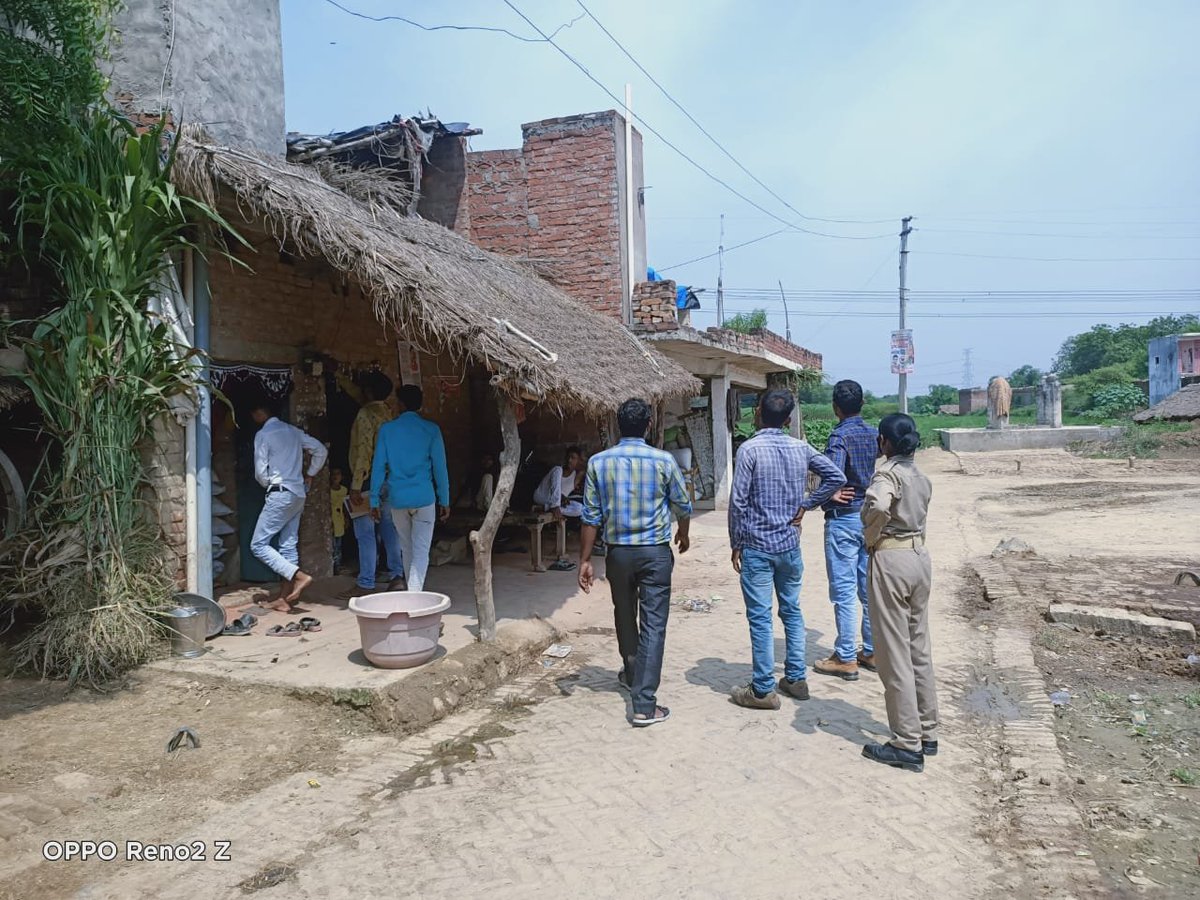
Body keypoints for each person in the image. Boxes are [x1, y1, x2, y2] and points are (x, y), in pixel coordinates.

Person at [728, 390, 846, 709]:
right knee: (792, 611)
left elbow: (738, 502)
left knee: (761, 616)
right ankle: (795, 678)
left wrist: (735, 543)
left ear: (757, 415)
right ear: (789, 420)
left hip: (757, 545)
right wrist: (807, 504)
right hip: (789, 545)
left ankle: (764, 689)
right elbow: (836, 476)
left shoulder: (749, 449)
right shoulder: (800, 447)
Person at [579, 398, 692, 727]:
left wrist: (584, 560)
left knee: (624, 615)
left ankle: (632, 674)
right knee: (654, 625)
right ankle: (644, 703)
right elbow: (683, 505)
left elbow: (590, 517)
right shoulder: (663, 461)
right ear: (648, 426)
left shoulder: (599, 463)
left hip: (619, 553)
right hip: (655, 553)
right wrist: (683, 535)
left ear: (617, 426)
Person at [860, 413, 938, 773]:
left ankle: (906, 743)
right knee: (918, 646)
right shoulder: (920, 476)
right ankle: (927, 730)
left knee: (893, 653)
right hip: (920, 557)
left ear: (884, 442)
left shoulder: (887, 473)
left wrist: (871, 533)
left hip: (892, 558)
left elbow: (876, 504)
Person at [813, 380, 880, 682]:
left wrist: (827, 494)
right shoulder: (872, 433)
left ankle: (845, 656)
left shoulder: (839, 436)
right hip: (868, 515)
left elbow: (834, 473)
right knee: (867, 589)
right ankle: (870, 649)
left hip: (843, 519)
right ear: (862, 404)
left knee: (843, 591)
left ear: (835, 407)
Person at [370, 384, 449, 592]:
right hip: (424, 498)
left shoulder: (387, 429)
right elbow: (441, 468)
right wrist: (445, 500)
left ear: (401, 404)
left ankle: (412, 595)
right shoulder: (431, 430)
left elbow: (378, 467)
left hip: (398, 499)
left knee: (407, 548)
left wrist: (373, 500)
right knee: (421, 551)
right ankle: (414, 596)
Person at [249, 401, 328, 609]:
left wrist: (267, 482)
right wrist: (310, 474)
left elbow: (260, 471)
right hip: (298, 493)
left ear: (259, 412)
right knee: (288, 545)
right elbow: (320, 450)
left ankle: (299, 576)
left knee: (258, 545)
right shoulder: (292, 431)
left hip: (280, 492)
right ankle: (286, 599)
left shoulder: (264, 434)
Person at [346, 371, 405, 597]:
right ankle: (396, 576)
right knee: (390, 529)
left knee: (365, 532)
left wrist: (356, 485)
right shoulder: (388, 413)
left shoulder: (364, 414)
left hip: (368, 479)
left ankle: (366, 582)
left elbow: (364, 450)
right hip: (390, 479)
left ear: (368, 391)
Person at [532, 446, 586, 519]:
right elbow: (555, 488)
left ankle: (544, 508)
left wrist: (563, 499)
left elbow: (586, 468)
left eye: (573, 458)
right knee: (558, 469)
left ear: (578, 460)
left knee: (580, 509)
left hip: (555, 502)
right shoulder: (557, 470)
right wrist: (560, 498)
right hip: (543, 496)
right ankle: (554, 507)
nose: (569, 460)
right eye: (568, 457)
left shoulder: (576, 477)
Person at [330, 466, 348, 573]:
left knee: (338, 544)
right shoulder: (327, 490)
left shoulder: (344, 490)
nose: (335, 476)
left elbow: (345, 506)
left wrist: (346, 519)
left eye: (338, 474)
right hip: (331, 519)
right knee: (332, 545)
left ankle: (338, 564)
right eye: (333, 474)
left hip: (339, 519)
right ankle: (333, 566)